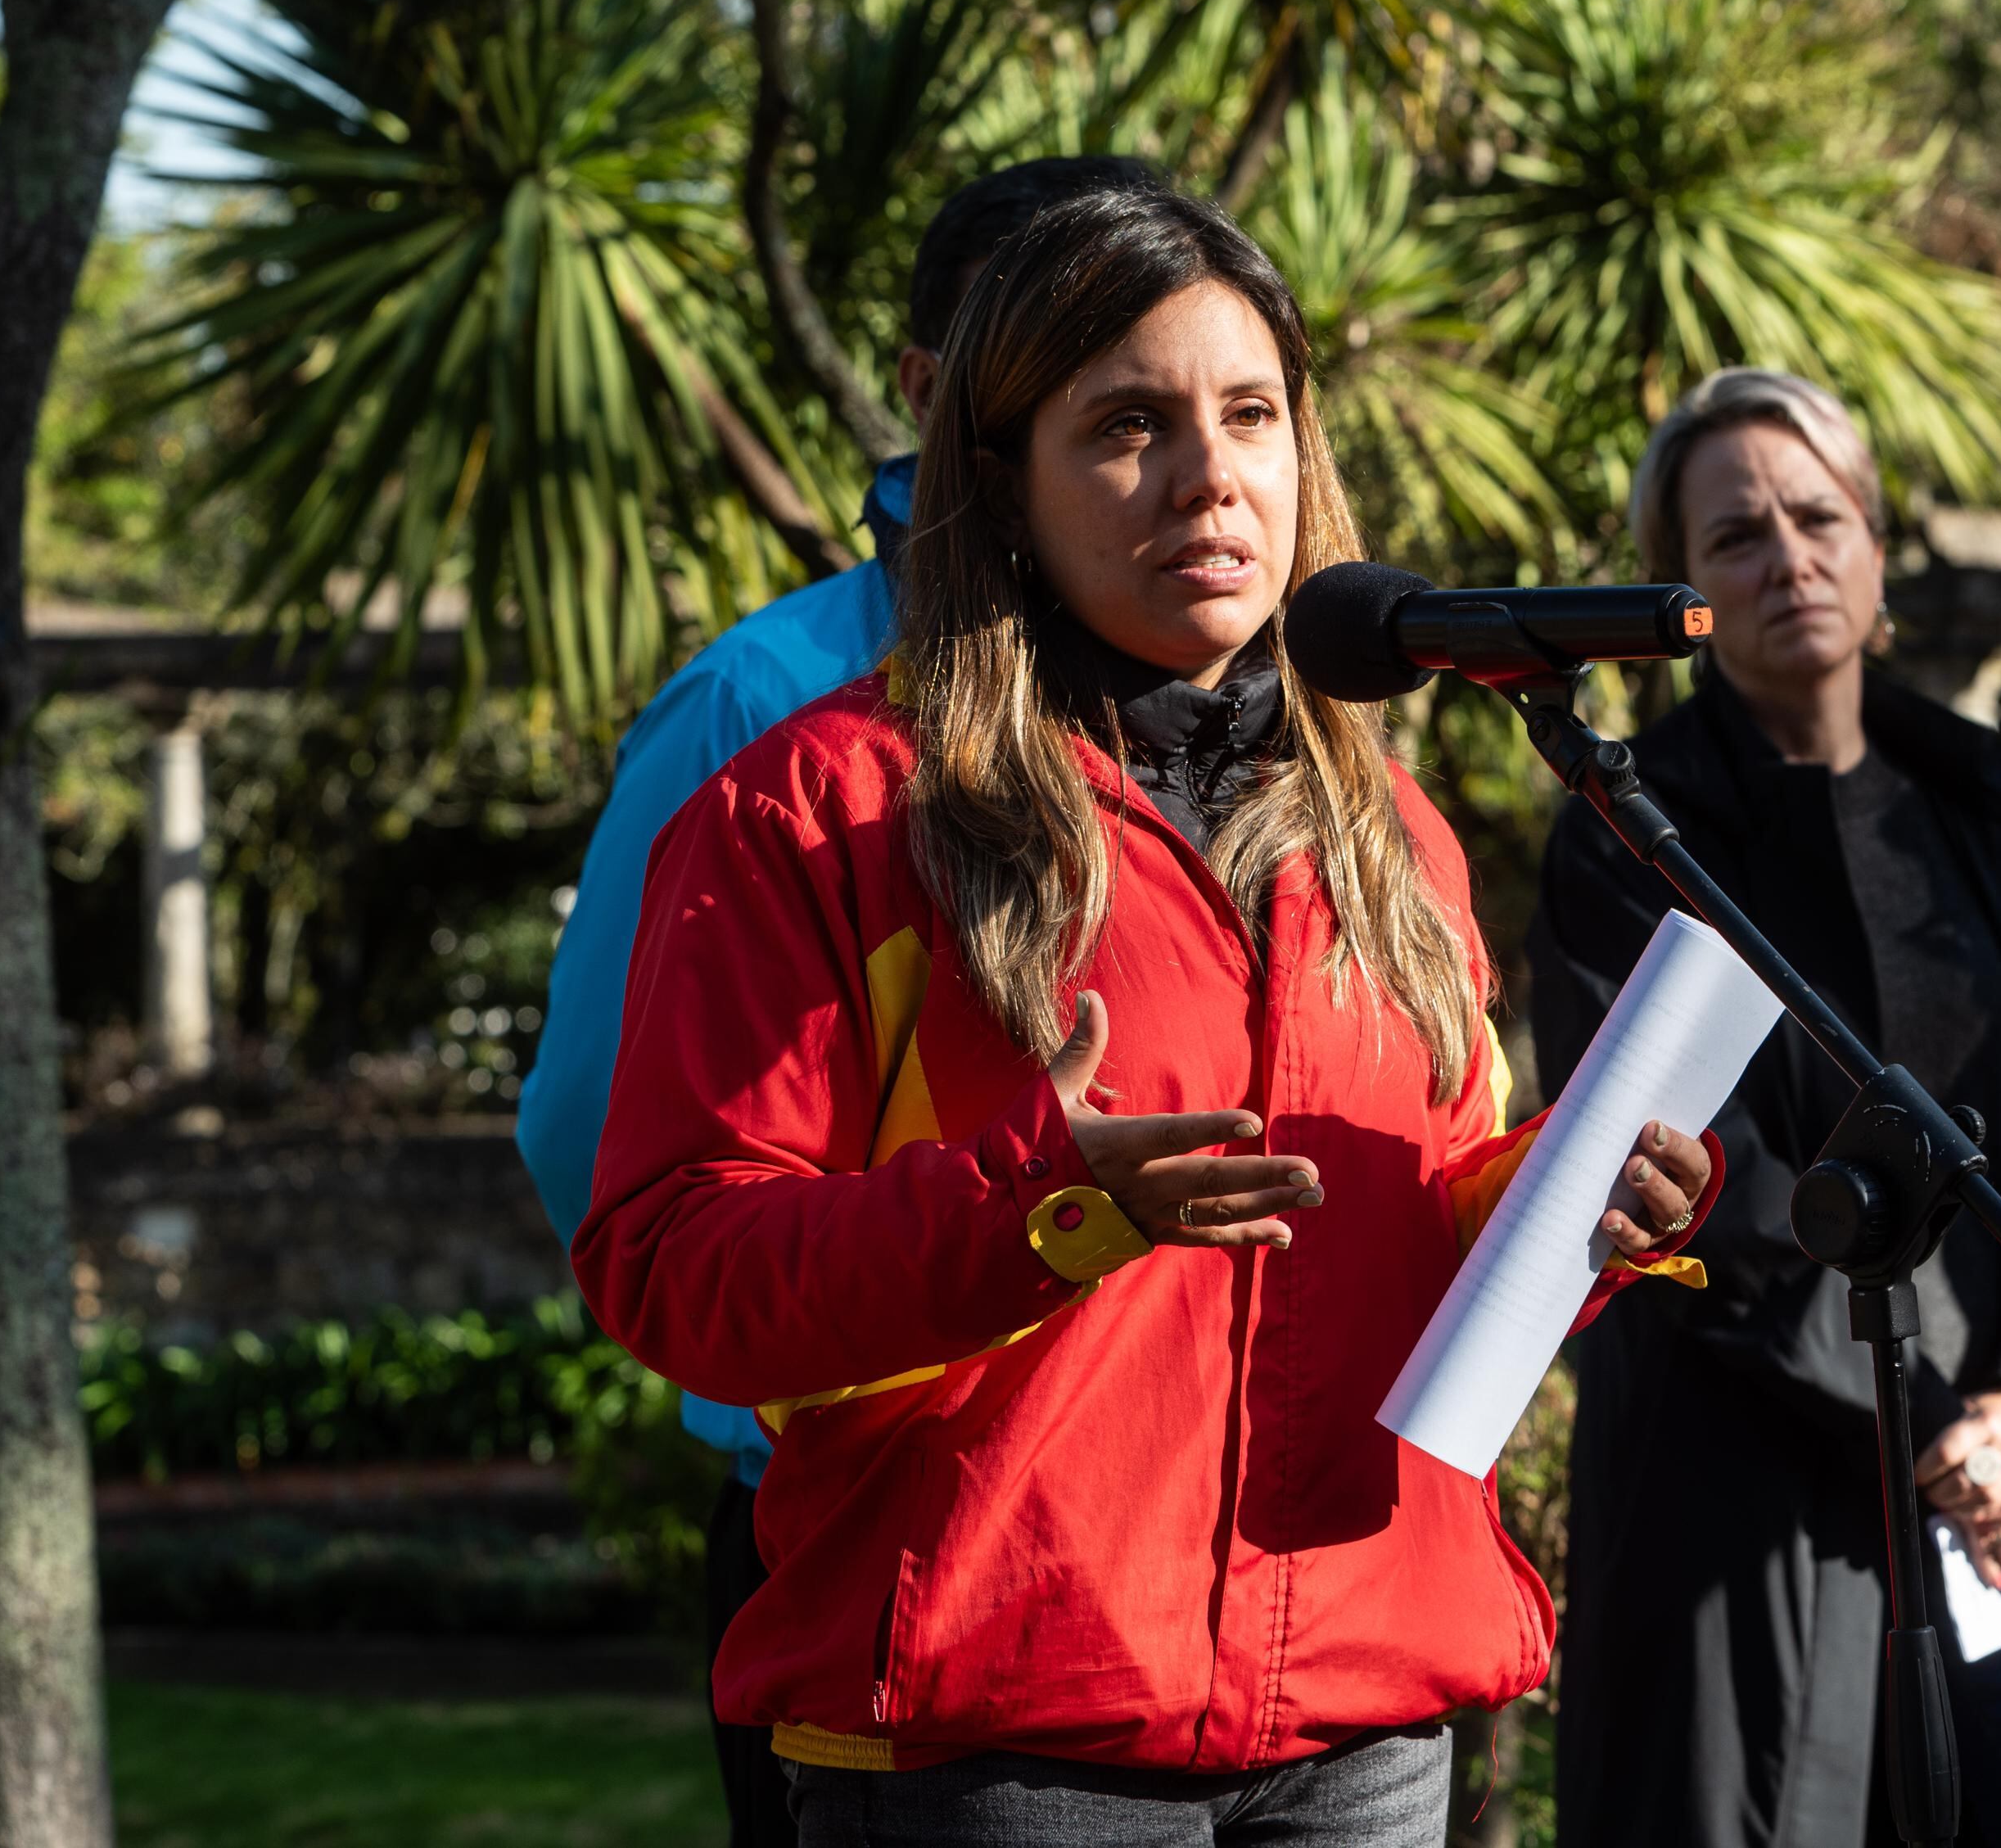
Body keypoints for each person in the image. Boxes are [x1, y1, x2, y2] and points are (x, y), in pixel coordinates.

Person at [575, 185, 1719, 1843]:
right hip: (1000, 1744)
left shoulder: (1389, 838)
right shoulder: (815, 813)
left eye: (1251, 415)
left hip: (1364, 1717)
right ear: (1003, 486)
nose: (1209, 475)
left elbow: (1417, 1228)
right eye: (1127, 425)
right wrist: (1038, 1209)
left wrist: (1564, 1210)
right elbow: (674, 1267)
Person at [517, 155, 1164, 1844]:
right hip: (869, 1533)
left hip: (1185, 1569)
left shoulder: (1243, 714)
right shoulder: (772, 706)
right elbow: (601, 1139)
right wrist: (830, 1381)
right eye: (1033, 368)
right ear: (932, 395)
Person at [1534, 368, 2001, 1848]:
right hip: (1755, 1487)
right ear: (1685, 589)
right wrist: (1923, 1421)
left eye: (1818, 514)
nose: (1788, 555)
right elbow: (1672, 1176)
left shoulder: (1986, 809)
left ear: (1878, 545)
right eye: (1735, 536)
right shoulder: (1624, 833)